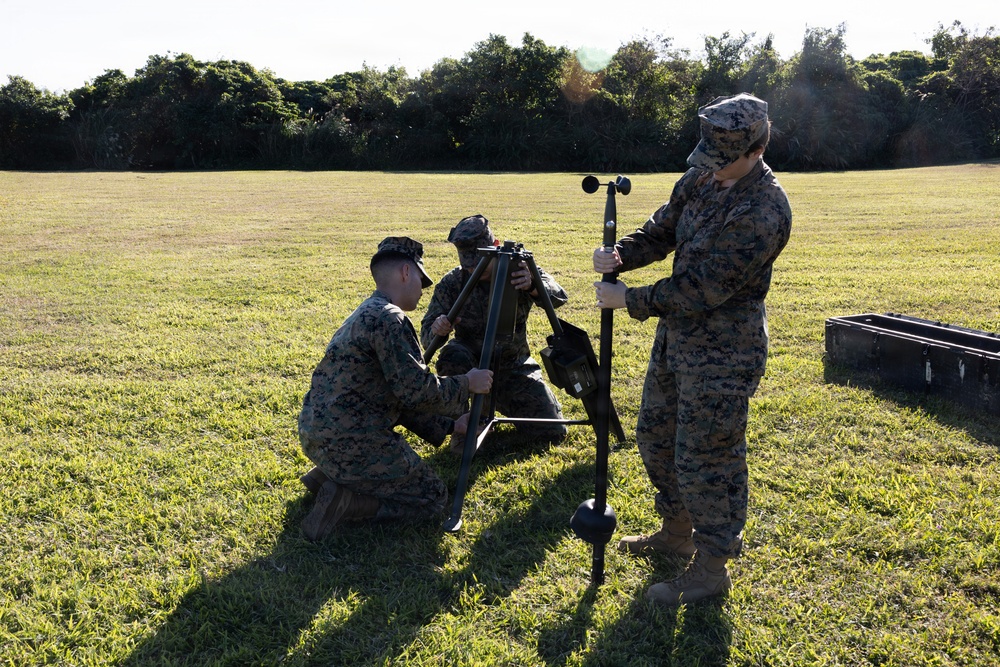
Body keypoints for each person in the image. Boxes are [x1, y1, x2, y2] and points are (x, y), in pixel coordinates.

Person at [592, 93, 792, 605]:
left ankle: (711, 567)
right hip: (678, 340)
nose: (714, 172)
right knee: (655, 436)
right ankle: (676, 530)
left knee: (709, 457)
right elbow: (661, 230)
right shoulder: (702, 175)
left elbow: (703, 288)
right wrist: (621, 253)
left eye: (725, 163)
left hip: (726, 351)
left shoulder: (765, 210)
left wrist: (628, 298)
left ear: (758, 148)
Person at [297, 236, 493, 541]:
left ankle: (331, 472)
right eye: (420, 279)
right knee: (432, 498)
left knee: (383, 470)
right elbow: (417, 391)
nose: (421, 290)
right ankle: (347, 500)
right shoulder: (390, 319)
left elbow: (396, 396)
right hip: (353, 441)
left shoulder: (365, 312)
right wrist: (468, 383)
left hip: (317, 433)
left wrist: (452, 424)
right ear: (405, 272)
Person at [420, 214, 569, 449]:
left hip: (514, 367)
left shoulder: (518, 271)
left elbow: (559, 297)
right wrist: (438, 328)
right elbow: (427, 335)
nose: (473, 269)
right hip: (470, 371)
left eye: (479, 261)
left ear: (496, 245)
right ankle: (464, 424)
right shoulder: (453, 282)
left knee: (552, 432)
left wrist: (532, 286)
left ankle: (494, 408)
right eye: (467, 264)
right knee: (452, 355)